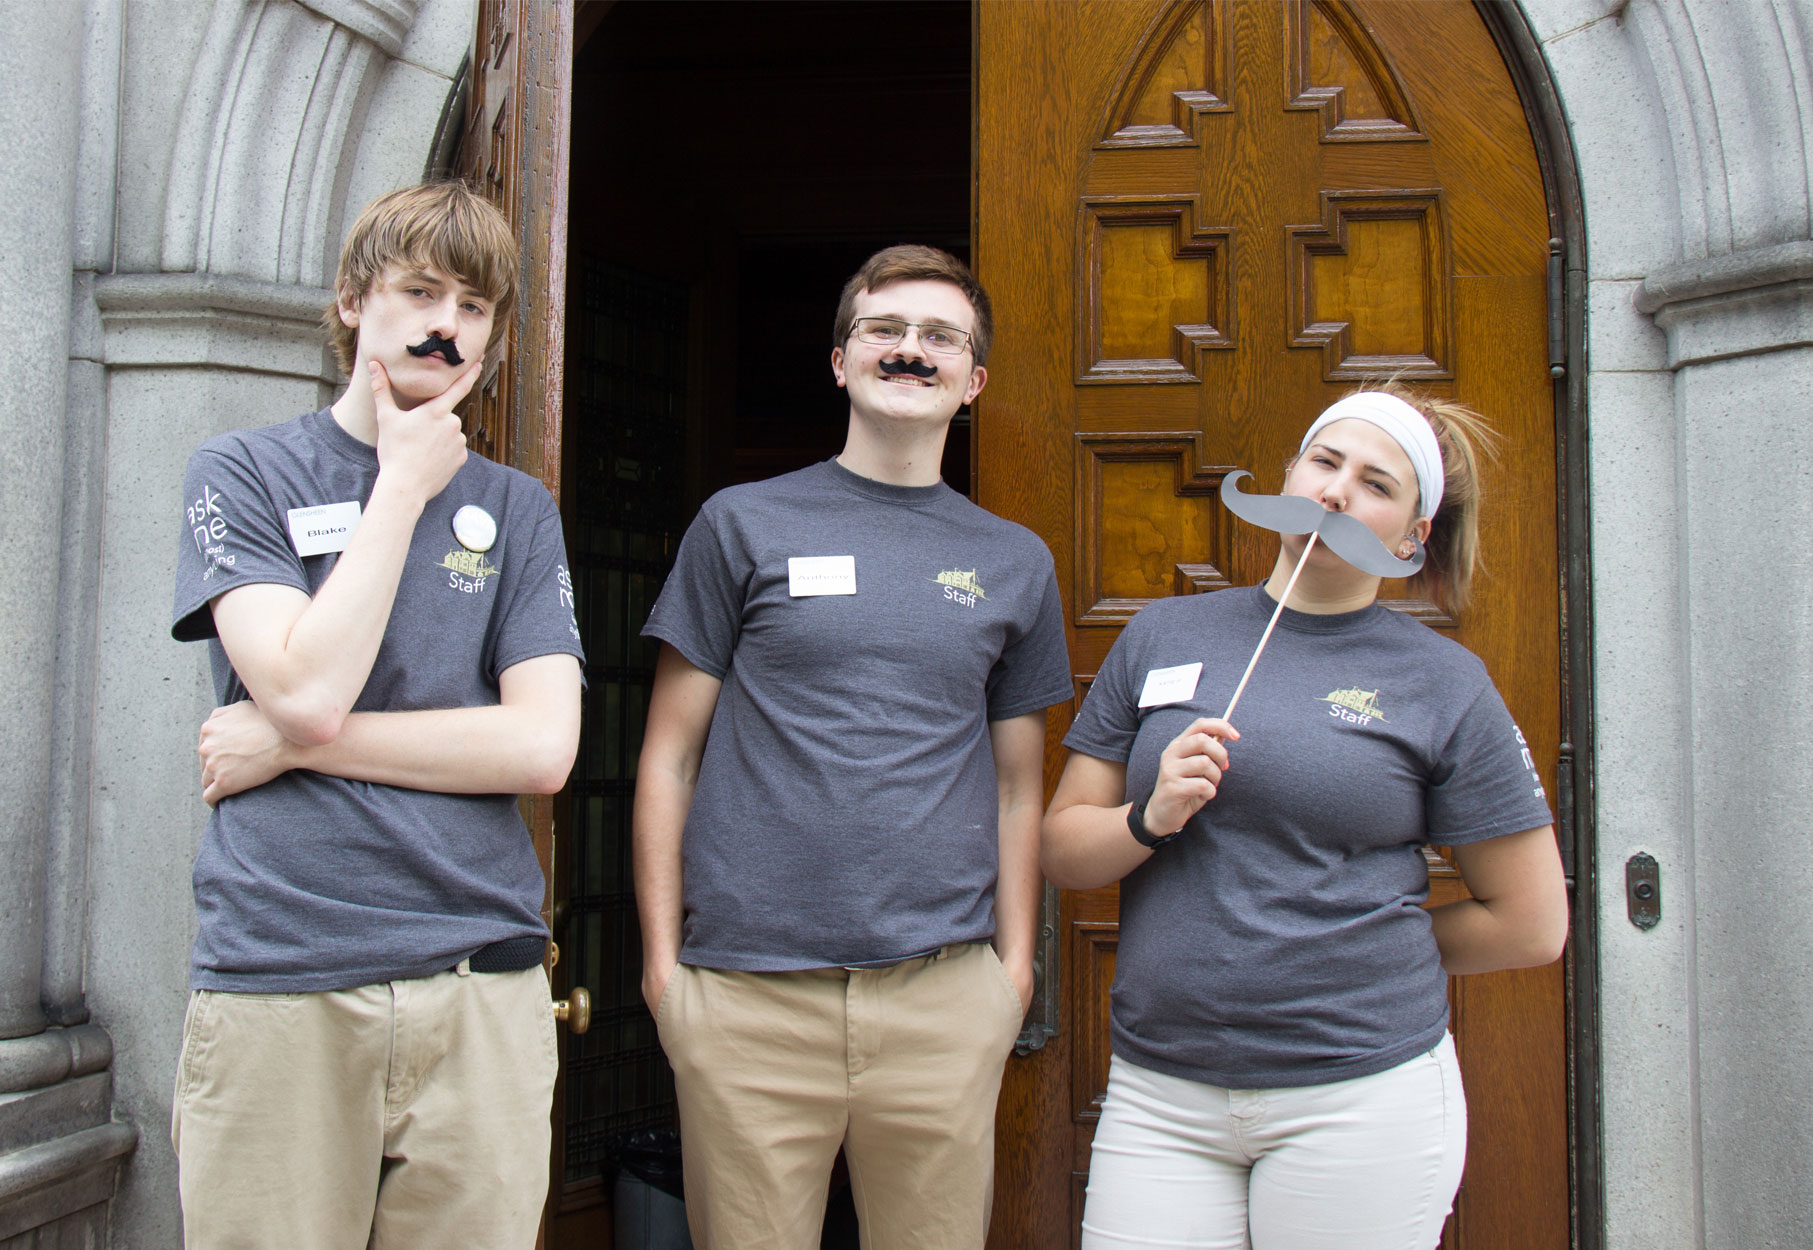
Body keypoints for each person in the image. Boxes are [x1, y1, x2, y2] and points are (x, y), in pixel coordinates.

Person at [1042, 384, 1569, 1250]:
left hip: (1357, 1097)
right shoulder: (1160, 636)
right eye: (1324, 462)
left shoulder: (1443, 682)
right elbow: (1064, 852)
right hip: (1160, 1093)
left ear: (1410, 534)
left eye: (1374, 482)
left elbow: (1530, 924)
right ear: (1289, 475)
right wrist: (1150, 816)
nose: (1334, 492)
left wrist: (1351, 942)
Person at [169, 181, 584, 1249]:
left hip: (477, 981)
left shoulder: (520, 509)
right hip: (286, 970)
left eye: (475, 306)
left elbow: (540, 745)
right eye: (418, 291)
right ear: (356, 300)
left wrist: (290, 747)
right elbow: (304, 683)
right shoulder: (245, 471)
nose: (446, 324)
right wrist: (400, 489)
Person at [634, 245, 1074, 1250]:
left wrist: (1009, 977)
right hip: (745, 998)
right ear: (840, 360)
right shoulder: (740, 523)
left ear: (975, 381)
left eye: (939, 337)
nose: (909, 351)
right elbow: (667, 756)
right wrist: (666, 973)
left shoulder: (1013, 560)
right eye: (884, 329)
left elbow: (1018, 787)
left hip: (940, 995)